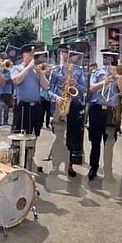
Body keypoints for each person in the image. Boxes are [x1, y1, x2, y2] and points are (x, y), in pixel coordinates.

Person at [49, 44, 87, 177]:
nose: (66, 54)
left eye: (69, 52)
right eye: (64, 52)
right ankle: (55, 165)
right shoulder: (56, 70)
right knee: (58, 137)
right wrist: (56, 97)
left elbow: (83, 89)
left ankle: (69, 165)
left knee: (72, 137)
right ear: (60, 54)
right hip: (60, 106)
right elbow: (47, 89)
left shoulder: (78, 71)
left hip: (74, 106)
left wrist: (76, 85)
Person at [10, 44, 49, 172]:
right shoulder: (17, 68)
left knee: (34, 135)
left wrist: (41, 73)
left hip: (36, 107)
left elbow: (45, 86)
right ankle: (17, 163)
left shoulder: (37, 69)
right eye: (31, 55)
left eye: (35, 55)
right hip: (22, 107)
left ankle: (29, 159)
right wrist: (29, 67)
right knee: (19, 136)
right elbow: (16, 80)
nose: (34, 58)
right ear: (24, 55)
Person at [87, 49, 122, 181]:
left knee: (109, 143)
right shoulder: (97, 72)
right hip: (97, 109)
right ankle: (94, 168)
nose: (108, 60)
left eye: (111, 58)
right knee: (95, 142)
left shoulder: (119, 73)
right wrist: (104, 82)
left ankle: (108, 170)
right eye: (106, 57)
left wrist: (117, 77)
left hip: (111, 111)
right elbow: (91, 88)